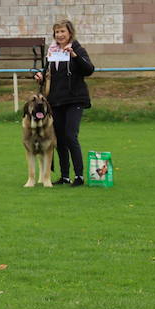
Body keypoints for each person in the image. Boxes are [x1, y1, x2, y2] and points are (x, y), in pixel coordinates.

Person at [32, 19, 95, 186]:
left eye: (62, 32)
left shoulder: (77, 49)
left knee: (70, 135)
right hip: (56, 100)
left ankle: (79, 176)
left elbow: (89, 69)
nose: (59, 35)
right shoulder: (52, 51)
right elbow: (47, 72)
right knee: (59, 138)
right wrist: (40, 75)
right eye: (57, 32)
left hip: (75, 99)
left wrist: (74, 55)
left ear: (70, 33)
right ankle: (65, 175)